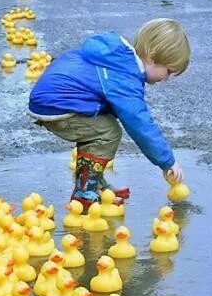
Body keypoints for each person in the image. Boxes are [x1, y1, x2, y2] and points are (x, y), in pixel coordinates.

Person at [28, 18, 190, 210]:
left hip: (51, 98)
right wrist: (166, 161)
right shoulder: (125, 75)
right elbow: (139, 123)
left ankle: (94, 185)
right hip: (59, 103)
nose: (167, 79)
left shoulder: (117, 58)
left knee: (101, 124)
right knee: (107, 132)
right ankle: (85, 193)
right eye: (168, 71)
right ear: (152, 58)